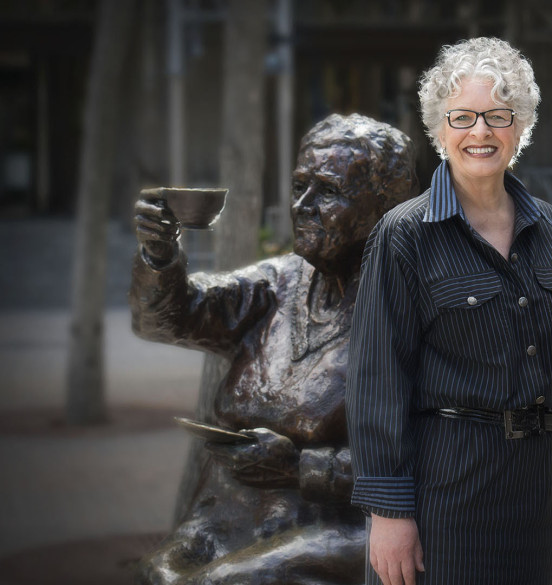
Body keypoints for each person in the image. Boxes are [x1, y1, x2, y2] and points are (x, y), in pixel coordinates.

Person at [129, 113, 419, 585]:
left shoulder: (411, 307)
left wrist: (301, 467)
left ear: (385, 208)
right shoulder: (277, 283)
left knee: (223, 583)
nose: (302, 205)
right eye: (299, 186)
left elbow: (432, 457)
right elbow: (169, 318)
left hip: (347, 526)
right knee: (156, 575)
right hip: (232, 511)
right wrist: (160, 257)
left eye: (328, 191)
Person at [345, 37, 552, 585]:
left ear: (520, 126)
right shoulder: (405, 235)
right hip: (445, 490)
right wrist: (389, 513)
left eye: (498, 116)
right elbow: (377, 379)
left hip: (534, 490)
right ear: (440, 129)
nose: (481, 132)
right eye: (463, 117)